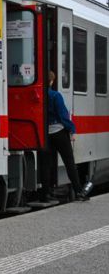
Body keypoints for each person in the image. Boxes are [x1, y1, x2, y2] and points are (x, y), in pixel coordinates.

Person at [44, 71, 89, 201]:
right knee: (69, 162)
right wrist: (72, 130)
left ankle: (46, 194)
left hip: (45, 135)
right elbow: (63, 115)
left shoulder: (40, 96)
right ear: (52, 81)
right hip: (59, 133)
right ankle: (79, 192)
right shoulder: (55, 95)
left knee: (46, 164)